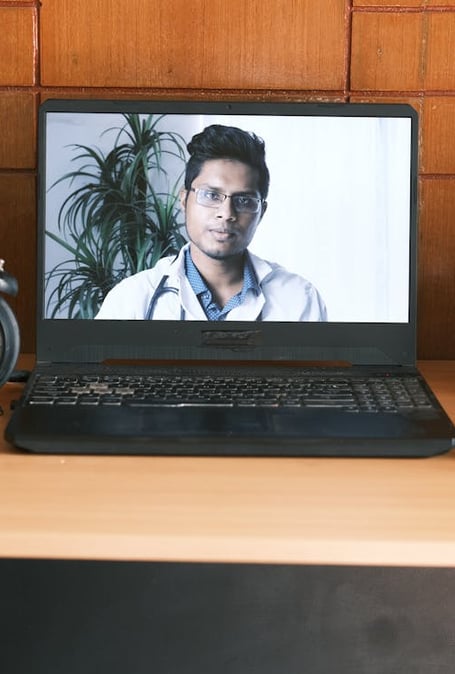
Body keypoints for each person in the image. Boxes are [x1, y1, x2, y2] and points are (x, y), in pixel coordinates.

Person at [96, 124, 327, 321]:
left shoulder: (299, 299)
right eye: (211, 195)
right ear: (184, 200)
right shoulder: (130, 299)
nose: (226, 213)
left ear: (261, 212)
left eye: (244, 200)